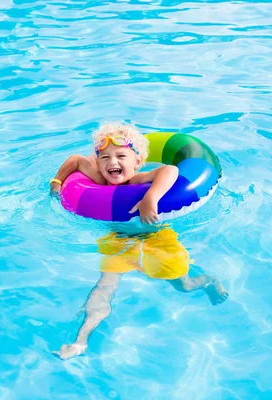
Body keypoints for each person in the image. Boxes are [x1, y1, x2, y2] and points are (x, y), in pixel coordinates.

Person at [50, 122, 229, 360]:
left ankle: (205, 281)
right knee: (104, 286)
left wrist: (151, 197)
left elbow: (170, 171)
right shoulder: (99, 180)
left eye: (121, 156)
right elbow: (74, 160)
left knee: (182, 285)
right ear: (98, 162)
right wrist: (57, 181)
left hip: (156, 237)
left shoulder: (138, 180)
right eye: (104, 157)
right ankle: (80, 341)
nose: (112, 163)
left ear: (137, 162)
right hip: (118, 241)